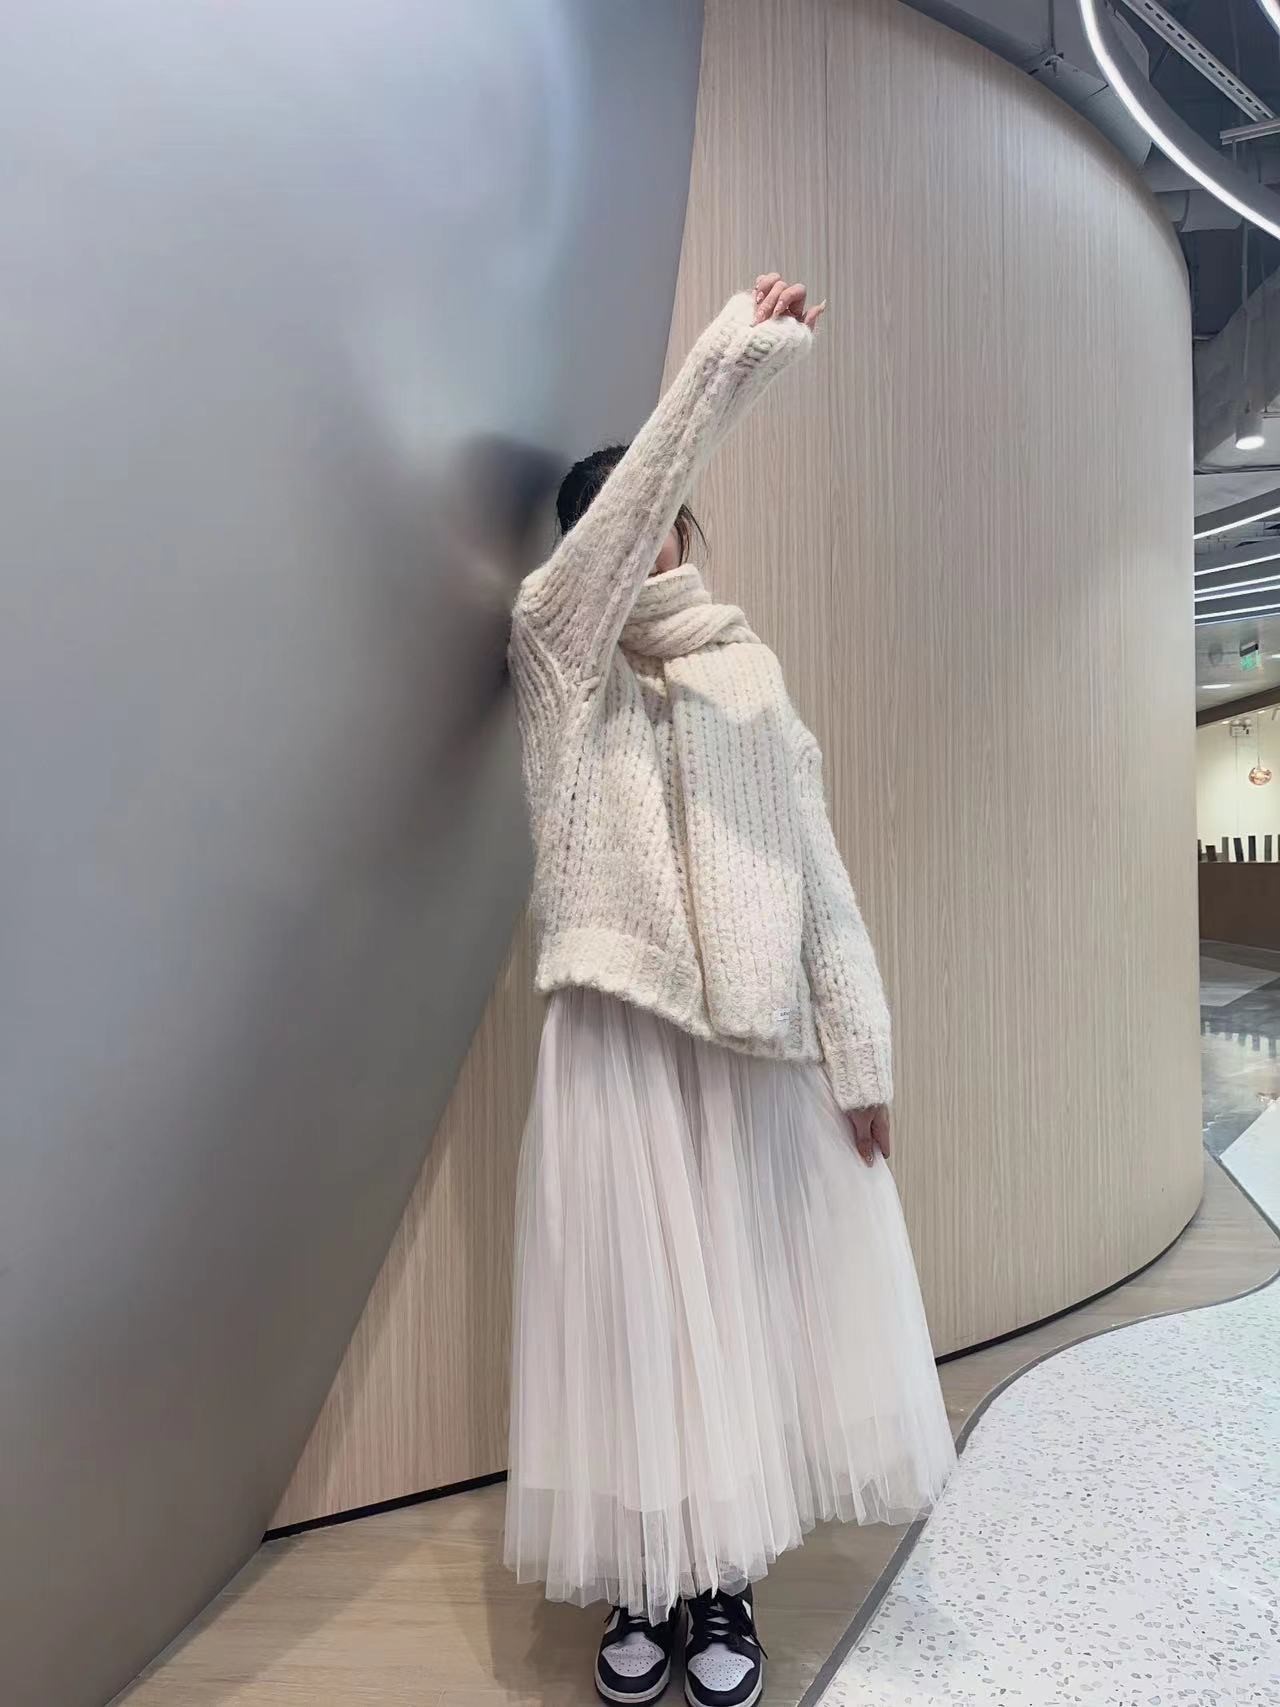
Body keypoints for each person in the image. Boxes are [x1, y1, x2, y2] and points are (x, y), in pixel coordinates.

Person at [503, 274, 955, 1707]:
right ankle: (643, 1584)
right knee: (636, 1328)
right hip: (620, 1039)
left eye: (659, 518)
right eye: (617, 521)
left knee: (738, 1321)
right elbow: (593, 564)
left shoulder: (753, 677)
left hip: (753, 1044)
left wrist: (861, 1058)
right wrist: (723, 365)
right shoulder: (558, 660)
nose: (640, 539)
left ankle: (721, 1587)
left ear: (689, 532)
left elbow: (819, 875)